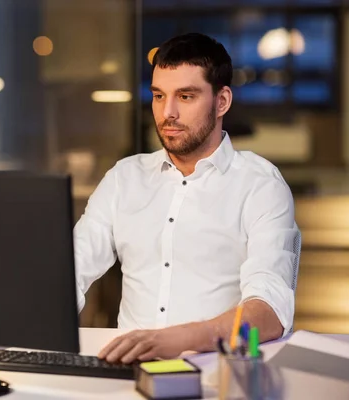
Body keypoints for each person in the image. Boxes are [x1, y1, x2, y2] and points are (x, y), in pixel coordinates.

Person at [72, 32, 300, 364]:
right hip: (127, 373)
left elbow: (270, 311)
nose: (168, 113)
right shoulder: (125, 178)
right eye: (159, 95)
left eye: (186, 96)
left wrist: (179, 340)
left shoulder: (260, 185)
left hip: (216, 375)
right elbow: (71, 268)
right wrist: (14, 332)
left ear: (222, 101)